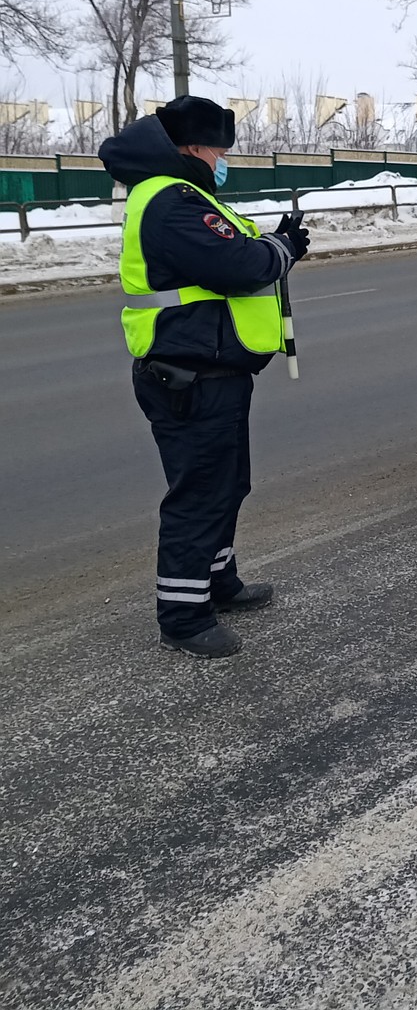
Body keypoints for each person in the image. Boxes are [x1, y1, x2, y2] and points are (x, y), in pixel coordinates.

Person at [100, 96, 310, 657]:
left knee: (225, 485)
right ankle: (184, 618)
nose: (223, 159)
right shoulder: (171, 200)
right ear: (192, 146)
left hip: (206, 370)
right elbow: (240, 266)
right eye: (219, 148)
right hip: (190, 375)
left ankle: (218, 582)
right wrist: (284, 248)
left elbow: (233, 249)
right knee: (199, 495)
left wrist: (272, 245)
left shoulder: (182, 195)